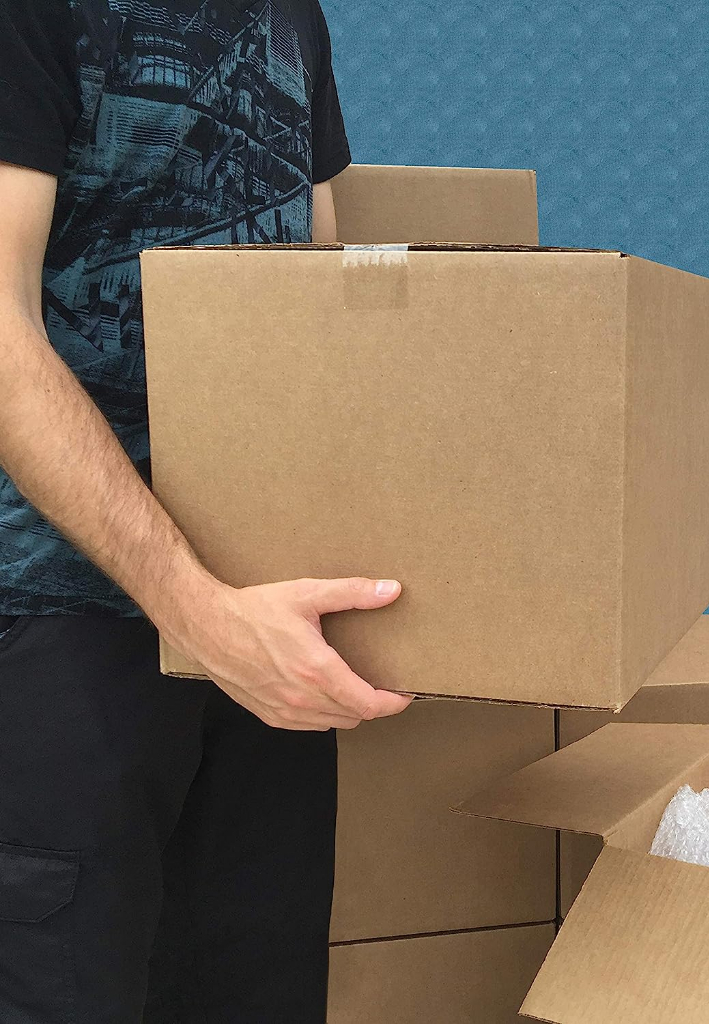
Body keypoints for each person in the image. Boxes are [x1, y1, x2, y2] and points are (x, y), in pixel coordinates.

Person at [0, 2, 413, 1021]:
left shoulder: (292, 17)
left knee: (256, 985)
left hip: (264, 627)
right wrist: (195, 610)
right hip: (63, 623)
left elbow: (326, 306)